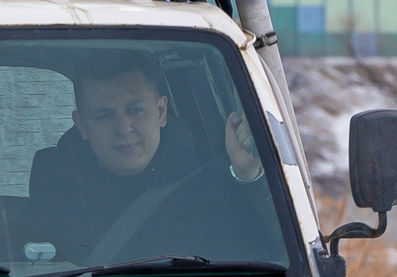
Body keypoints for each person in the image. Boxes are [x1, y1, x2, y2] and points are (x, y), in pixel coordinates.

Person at [22, 59, 275, 266]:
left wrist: (249, 175)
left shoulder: (216, 184)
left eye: (135, 110)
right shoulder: (55, 193)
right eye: (103, 115)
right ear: (82, 125)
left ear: (161, 112)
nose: (123, 128)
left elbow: (278, 255)